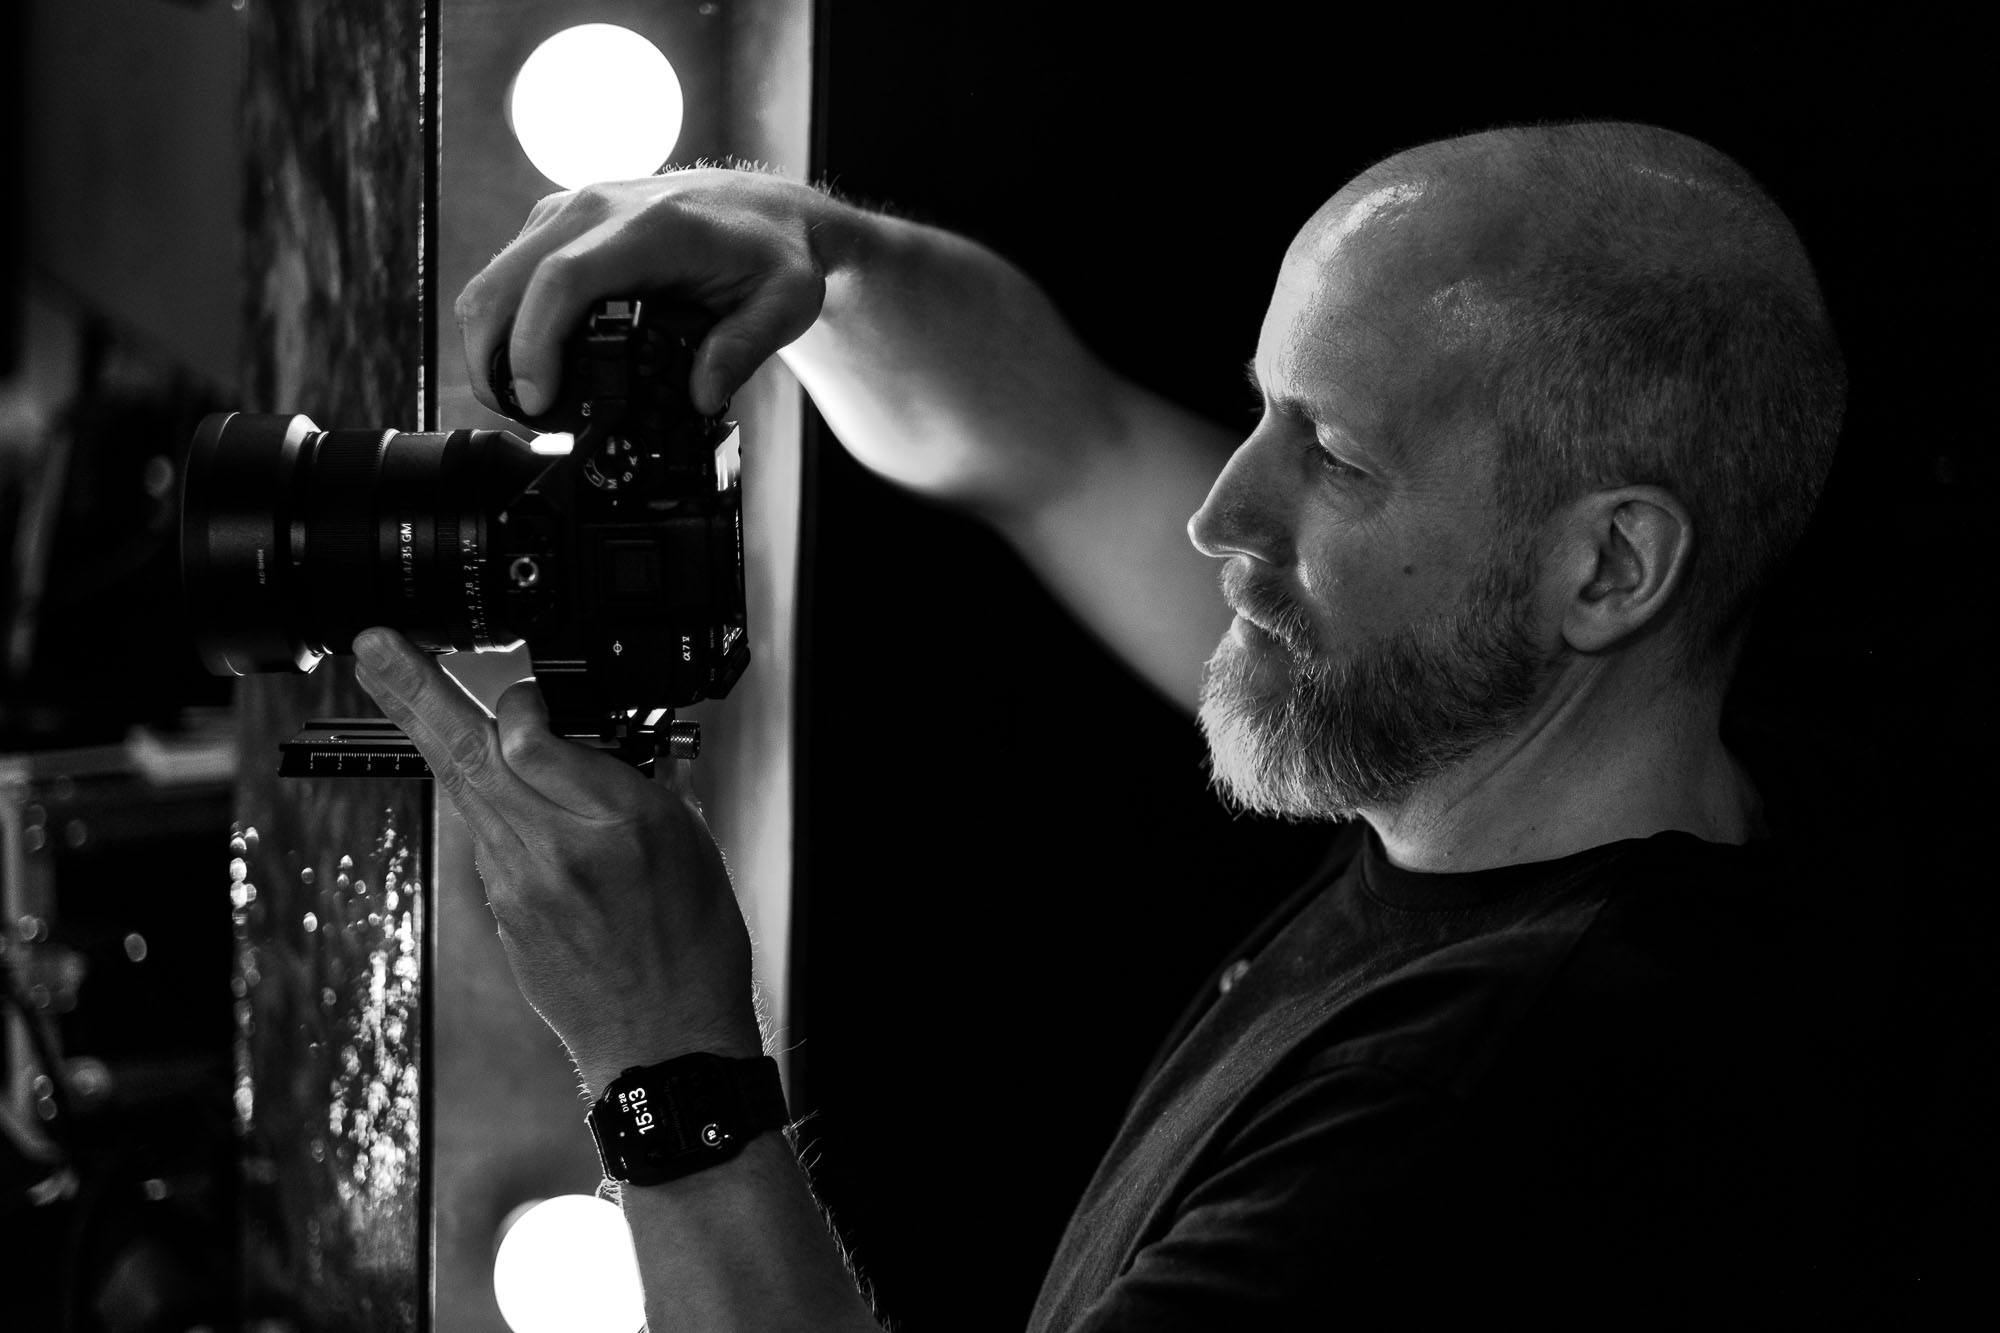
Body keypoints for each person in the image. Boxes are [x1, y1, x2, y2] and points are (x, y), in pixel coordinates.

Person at [352, 120, 1856, 1328]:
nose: (1221, 513)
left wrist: (662, 1049)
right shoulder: (1535, 744)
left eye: (1334, 457)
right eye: (1262, 410)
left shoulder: (1479, 1120)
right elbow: (1059, 440)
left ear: (1610, 568)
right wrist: (809, 248)